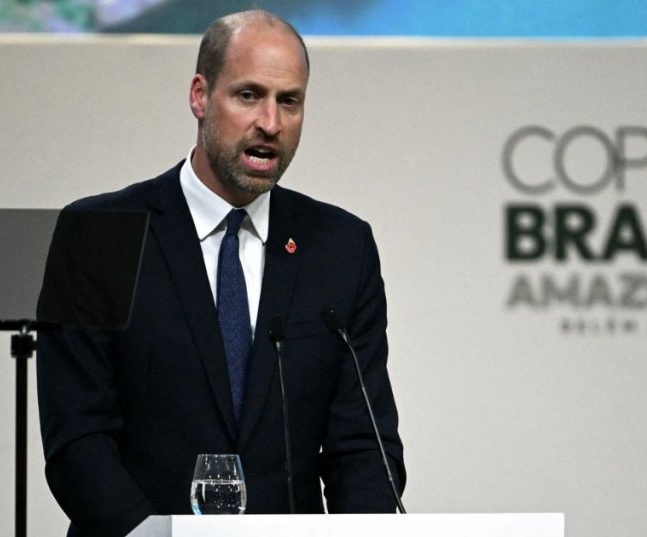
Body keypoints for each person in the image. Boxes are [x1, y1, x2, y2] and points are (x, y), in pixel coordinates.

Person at [37, 10, 404, 537]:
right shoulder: (101, 235)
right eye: (249, 95)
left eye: (289, 101)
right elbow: (79, 440)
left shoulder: (340, 248)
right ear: (200, 96)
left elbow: (363, 446)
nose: (271, 124)